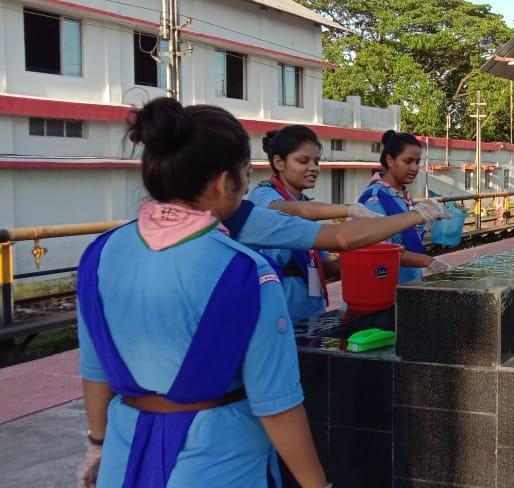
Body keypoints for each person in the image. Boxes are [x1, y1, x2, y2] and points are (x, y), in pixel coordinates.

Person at [76, 98, 327, 487]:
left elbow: (95, 370)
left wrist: (98, 444)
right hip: (219, 459)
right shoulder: (246, 272)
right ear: (224, 181)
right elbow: (275, 403)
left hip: (125, 456)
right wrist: (316, 484)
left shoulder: (98, 254)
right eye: (244, 175)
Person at [249, 126, 450, 322]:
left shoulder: (305, 202)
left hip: (310, 309)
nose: (314, 168)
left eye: (317, 161)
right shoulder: (264, 195)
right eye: (303, 161)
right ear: (279, 163)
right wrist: (348, 209)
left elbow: (328, 264)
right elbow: (285, 209)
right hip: (279, 307)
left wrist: (364, 262)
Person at [360, 130, 452, 284]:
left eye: (417, 162)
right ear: (390, 160)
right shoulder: (375, 200)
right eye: (408, 161)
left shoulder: (402, 196)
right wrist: (428, 261)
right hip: (384, 289)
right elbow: (380, 251)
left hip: (407, 285)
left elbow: (402, 239)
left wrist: (427, 224)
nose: (415, 168)